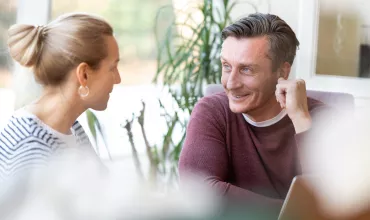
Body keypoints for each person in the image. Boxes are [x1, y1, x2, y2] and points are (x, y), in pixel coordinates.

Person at [178, 13, 331, 217]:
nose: (231, 83)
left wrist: (301, 121)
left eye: (247, 69)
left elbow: (332, 203)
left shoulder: (322, 119)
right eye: (226, 66)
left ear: (282, 72)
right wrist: (298, 214)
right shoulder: (212, 112)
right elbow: (198, 192)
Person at [0, 12, 121, 182]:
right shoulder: (32, 151)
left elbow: (105, 191)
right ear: (84, 75)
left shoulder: (70, 127)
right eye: (112, 68)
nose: (118, 79)